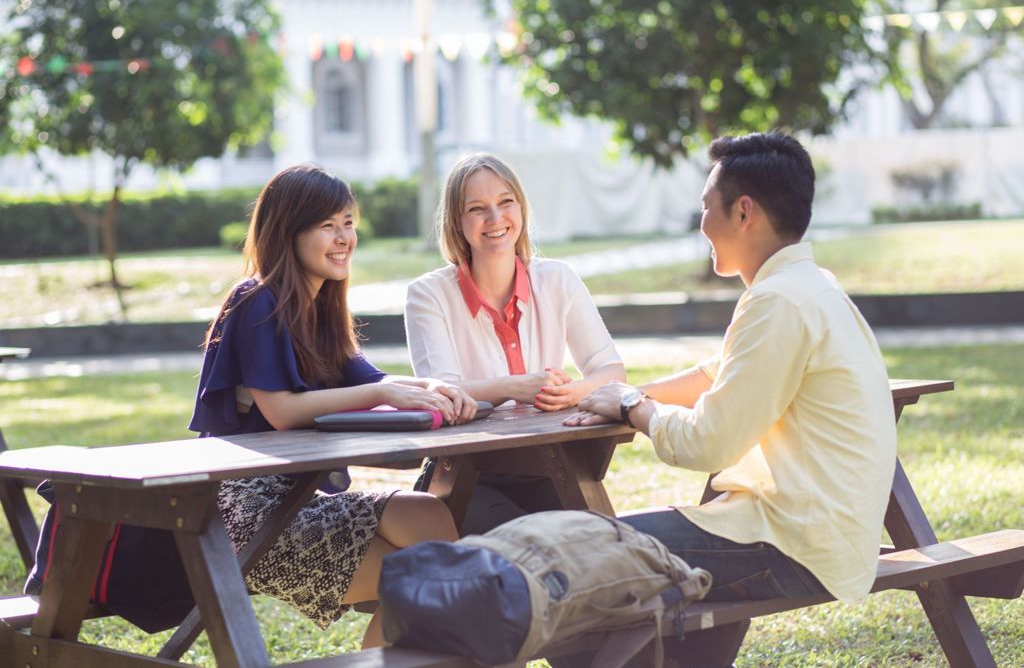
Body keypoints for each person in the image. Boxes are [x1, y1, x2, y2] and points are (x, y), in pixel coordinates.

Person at [567, 131, 898, 608]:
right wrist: (627, 392)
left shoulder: (778, 300)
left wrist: (630, 405)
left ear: (743, 212)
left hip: (795, 547)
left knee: (576, 553)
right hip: (825, 541)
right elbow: (720, 372)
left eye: (706, 206)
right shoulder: (811, 285)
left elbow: (707, 442)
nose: (700, 222)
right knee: (589, 557)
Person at [188, 164, 476, 647]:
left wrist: (437, 387)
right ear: (288, 232)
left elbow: (377, 380)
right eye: (328, 225)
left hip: (297, 501)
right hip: (244, 515)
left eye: (348, 222)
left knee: (429, 520)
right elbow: (281, 410)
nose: (345, 237)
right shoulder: (257, 300)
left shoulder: (322, 309)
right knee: (427, 576)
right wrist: (382, 395)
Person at [404, 153, 626, 534]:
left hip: (552, 465)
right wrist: (512, 388)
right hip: (466, 475)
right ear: (457, 223)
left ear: (520, 208)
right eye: (477, 208)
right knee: (526, 555)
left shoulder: (558, 279)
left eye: (505, 202)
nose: (495, 219)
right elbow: (442, 394)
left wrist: (573, 393)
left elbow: (612, 371)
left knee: (601, 545)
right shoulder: (428, 295)